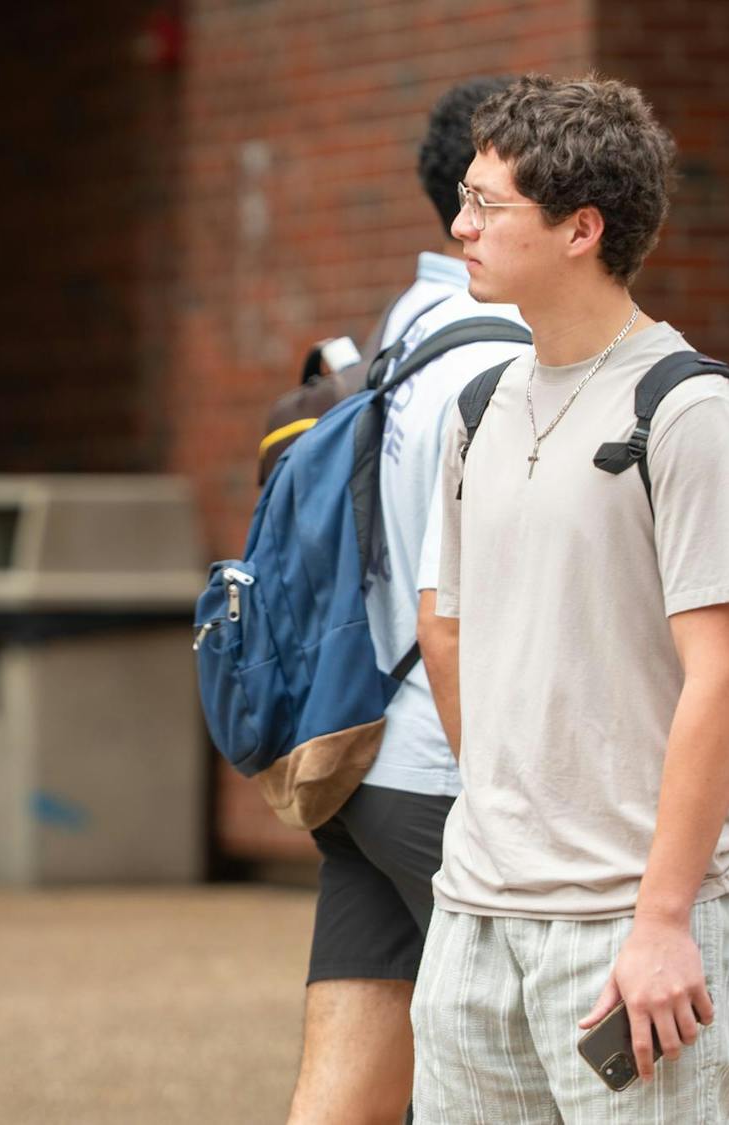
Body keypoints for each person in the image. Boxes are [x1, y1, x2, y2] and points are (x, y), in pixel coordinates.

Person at [412, 74, 729, 1121]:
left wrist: (664, 920)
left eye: (489, 207)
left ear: (581, 228)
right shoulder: (475, 406)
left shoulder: (685, 411)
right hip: (471, 922)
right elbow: (447, 630)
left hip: (628, 932)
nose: (461, 225)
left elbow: (718, 678)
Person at [286, 77, 529, 1125]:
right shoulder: (502, 356)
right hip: (447, 769)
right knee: (523, 1076)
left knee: (345, 1090)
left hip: (359, 754)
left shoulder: (414, 320)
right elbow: (478, 608)